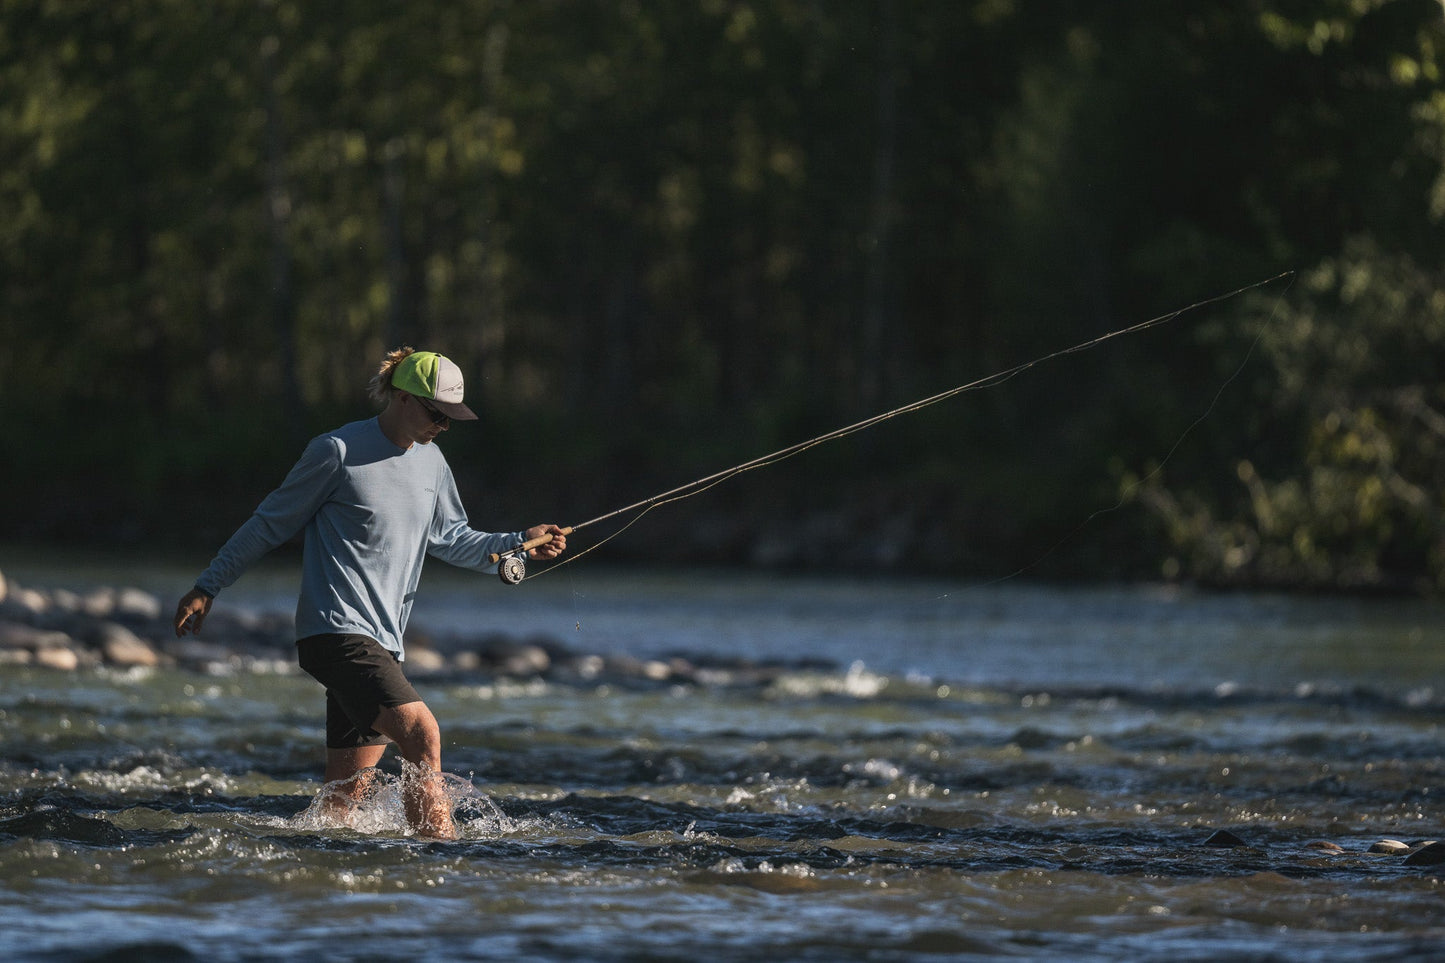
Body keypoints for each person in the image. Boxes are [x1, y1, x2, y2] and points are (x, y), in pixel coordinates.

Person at [172, 347, 566, 839]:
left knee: (342, 805)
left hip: (384, 645)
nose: (442, 427)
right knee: (423, 735)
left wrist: (520, 544)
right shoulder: (335, 452)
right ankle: (445, 862)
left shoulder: (433, 462)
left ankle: (303, 868)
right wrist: (208, 586)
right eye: (436, 414)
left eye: (451, 420)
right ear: (402, 397)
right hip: (334, 633)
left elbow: (455, 541)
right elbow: (269, 525)